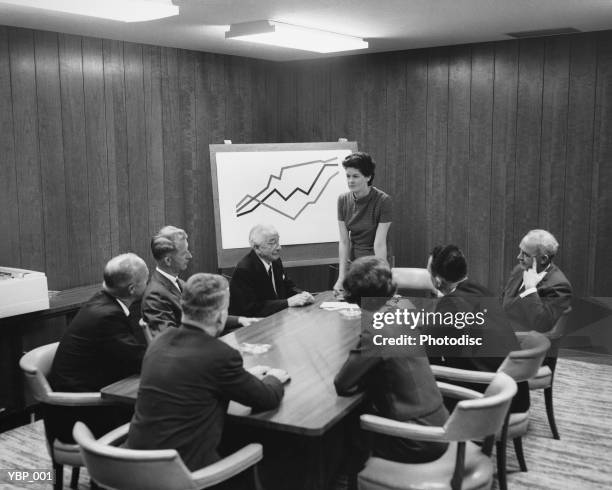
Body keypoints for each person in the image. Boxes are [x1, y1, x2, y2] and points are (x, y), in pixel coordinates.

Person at [127, 273, 288, 474]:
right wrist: (273, 378)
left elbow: (198, 376)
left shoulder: (159, 342)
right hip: (184, 474)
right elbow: (267, 399)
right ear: (220, 316)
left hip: (132, 468)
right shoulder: (221, 355)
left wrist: (244, 375)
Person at [334, 256, 448, 478]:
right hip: (439, 421)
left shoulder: (376, 330)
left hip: (416, 439)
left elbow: (342, 383)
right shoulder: (403, 309)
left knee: (341, 437)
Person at [47, 253, 149, 442]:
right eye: (146, 281)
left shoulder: (100, 301)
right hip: (81, 413)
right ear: (133, 289)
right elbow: (139, 360)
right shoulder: (107, 316)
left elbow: (127, 355)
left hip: (85, 397)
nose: (148, 285)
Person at [425, 244, 527, 412]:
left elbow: (424, 348)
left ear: (437, 280)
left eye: (429, 273)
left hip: (490, 402)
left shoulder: (451, 304)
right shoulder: (482, 291)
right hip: (513, 394)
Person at [142, 225, 257, 338]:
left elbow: (206, 315)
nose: (190, 256)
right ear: (168, 260)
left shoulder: (181, 283)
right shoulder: (154, 296)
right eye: (184, 253)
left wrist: (240, 320)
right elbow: (169, 340)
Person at [334, 152, 392, 295]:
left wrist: (382, 277)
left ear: (368, 177)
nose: (350, 181)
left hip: (375, 262)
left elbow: (379, 244)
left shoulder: (383, 201)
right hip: (354, 264)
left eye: (355, 176)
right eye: (348, 176)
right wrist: (341, 276)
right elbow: (344, 241)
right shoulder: (342, 200)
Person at [229, 224, 314, 317]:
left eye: (278, 242)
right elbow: (250, 309)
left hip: (276, 318)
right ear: (256, 248)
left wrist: (302, 295)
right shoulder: (244, 270)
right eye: (272, 243)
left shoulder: (276, 261)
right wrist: (287, 302)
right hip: (254, 325)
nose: (279, 248)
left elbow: (287, 286)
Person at [501, 229, 572, 333]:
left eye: (525, 254)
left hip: (524, 341)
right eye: (520, 251)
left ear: (543, 259)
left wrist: (530, 289)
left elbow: (542, 325)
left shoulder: (559, 286)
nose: (519, 257)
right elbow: (505, 303)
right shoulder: (520, 269)